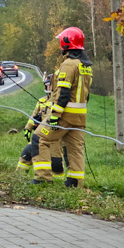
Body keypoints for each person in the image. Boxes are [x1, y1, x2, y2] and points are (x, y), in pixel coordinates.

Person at [31, 27, 93, 187]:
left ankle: (43, 178)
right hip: (80, 117)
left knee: (39, 138)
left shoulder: (68, 65)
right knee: (75, 148)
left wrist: (54, 116)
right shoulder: (85, 66)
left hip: (64, 116)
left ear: (66, 43)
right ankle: (75, 182)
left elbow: (63, 94)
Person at [16, 73, 66, 179]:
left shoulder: (59, 102)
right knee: (27, 153)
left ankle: (58, 182)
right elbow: (34, 116)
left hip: (54, 136)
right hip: (40, 134)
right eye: (46, 85)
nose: (48, 87)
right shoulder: (41, 101)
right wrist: (28, 128)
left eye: (50, 85)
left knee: (56, 163)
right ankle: (19, 177)